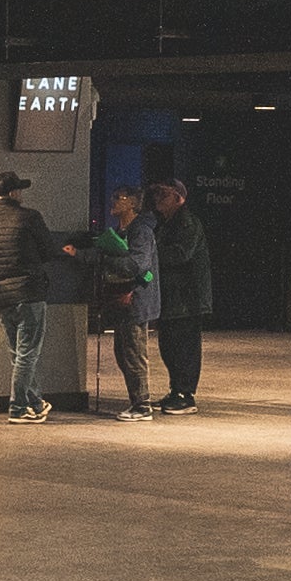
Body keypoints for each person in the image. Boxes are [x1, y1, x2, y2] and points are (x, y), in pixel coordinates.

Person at [0, 169, 55, 423]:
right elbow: (48, 251)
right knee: (28, 353)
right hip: (29, 292)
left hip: (1, 294)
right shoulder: (30, 217)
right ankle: (18, 407)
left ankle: (35, 402)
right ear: (13, 193)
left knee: (17, 353)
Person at [83, 183, 164, 419]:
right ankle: (137, 401)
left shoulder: (141, 231)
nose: (113, 201)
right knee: (123, 352)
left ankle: (142, 405)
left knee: (134, 353)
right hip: (120, 301)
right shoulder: (120, 231)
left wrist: (107, 259)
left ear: (132, 203)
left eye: (119, 198)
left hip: (135, 301)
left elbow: (138, 265)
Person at [147, 176, 214, 412]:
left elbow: (180, 254)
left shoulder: (187, 223)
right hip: (172, 298)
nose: (157, 200)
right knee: (169, 346)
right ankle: (176, 390)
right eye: (155, 195)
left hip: (187, 300)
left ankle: (186, 394)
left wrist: (150, 255)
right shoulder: (165, 224)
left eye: (163, 195)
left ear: (178, 198)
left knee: (184, 347)